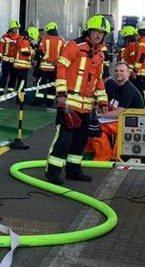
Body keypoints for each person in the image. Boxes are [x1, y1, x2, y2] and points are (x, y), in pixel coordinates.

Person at [45, 15, 110, 186]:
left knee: (80, 141)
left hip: (87, 106)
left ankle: (73, 170)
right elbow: (61, 67)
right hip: (69, 103)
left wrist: (102, 101)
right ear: (89, 30)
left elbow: (98, 79)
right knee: (64, 140)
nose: (98, 35)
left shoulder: (100, 54)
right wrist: (61, 93)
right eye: (96, 31)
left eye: (102, 33)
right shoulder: (74, 45)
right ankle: (52, 171)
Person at [84, 61, 145, 161]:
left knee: (97, 128)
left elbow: (118, 113)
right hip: (124, 120)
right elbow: (112, 106)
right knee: (91, 124)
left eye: (122, 71)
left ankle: (104, 157)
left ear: (128, 73)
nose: (118, 73)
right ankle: (91, 151)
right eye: (116, 71)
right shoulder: (119, 87)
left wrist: (98, 116)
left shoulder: (128, 89)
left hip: (133, 123)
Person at [35, 22, 65, 107]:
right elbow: (63, 55)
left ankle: (38, 101)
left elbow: (40, 52)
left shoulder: (44, 39)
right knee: (52, 85)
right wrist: (56, 62)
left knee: (41, 84)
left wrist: (48, 60)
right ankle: (50, 102)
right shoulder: (62, 40)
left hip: (44, 67)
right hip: (55, 68)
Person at [0, 21, 21, 95]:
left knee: (13, 76)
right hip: (6, 60)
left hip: (14, 61)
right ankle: (0, 90)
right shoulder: (5, 37)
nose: (16, 30)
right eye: (15, 28)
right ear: (11, 28)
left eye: (17, 28)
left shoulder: (19, 38)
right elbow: (0, 47)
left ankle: (10, 90)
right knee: (4, 76)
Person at [11, 29, 34, 102]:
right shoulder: (25, 41)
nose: (31, 40)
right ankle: (20, 98)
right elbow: (25, 52)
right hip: (22, 66)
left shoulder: (21, 39)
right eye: (31, 38)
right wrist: (33, 51)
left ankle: (20, 97)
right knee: (22, 83)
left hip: (20, 65)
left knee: (21, 83)